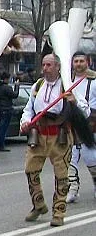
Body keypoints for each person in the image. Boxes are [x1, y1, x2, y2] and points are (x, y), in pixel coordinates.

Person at [20, 54, 89, 227]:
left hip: (60, 136)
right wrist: (25, 122)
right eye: (43, 65)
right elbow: (29, 108)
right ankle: (38, 204)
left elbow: (85, 111)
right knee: (30, 170)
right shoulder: (38, 85)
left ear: (58, 67)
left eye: (49, 65)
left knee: (61, 175)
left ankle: (58, 212)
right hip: (38, 134)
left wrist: (74, 102)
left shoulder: (68, 86)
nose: (45, 68)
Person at [66, 51, 96, 204]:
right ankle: (72, 189)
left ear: (87, 62)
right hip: (71, 125)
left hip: (90, 124)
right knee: (71, 158)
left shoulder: (94, 81)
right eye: (75, 61)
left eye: (81, 61)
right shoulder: (67, 79)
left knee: (91, 159)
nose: (78, 64)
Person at [0, 71, 18, 151]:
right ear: (7, 79)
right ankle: (1, 145)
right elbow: (15, 95)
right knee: (3, 128)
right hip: (6, 109)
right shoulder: (7, 88)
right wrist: (17, 86)